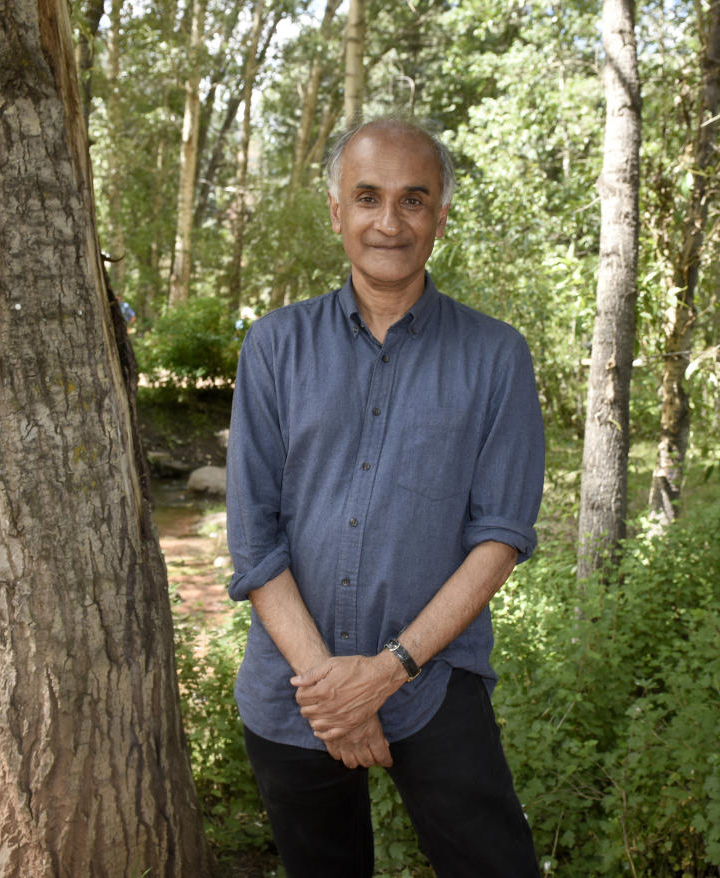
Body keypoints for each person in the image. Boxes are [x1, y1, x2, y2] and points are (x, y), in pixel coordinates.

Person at [226, 117, 545, 877]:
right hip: (291, 694)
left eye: (413, 199)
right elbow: (253, 540)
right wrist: (330, 688)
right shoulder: (273, 348)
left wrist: (382, 674)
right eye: (367, 197)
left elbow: (500, 534)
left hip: (434, 686)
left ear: (439, 216)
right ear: (336, 210)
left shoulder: (497, 357)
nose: (389, 222)